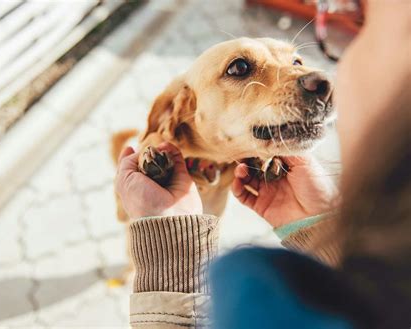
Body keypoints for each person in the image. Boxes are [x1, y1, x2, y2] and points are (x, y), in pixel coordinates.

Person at [115, 1, 410, 328]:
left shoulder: (256, 299)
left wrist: (169, 262)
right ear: (180, 109)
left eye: (296, 61)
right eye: (240, 69)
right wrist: (316, 226)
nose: (317, 79)